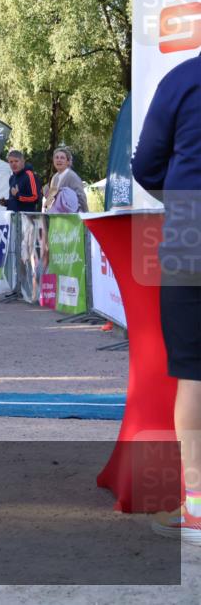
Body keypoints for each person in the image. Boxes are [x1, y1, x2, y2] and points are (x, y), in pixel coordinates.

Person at [132, 53, 201, 546]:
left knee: (195, 374)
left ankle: (197, 507)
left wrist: (180, 197)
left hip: (191, 237)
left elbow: (146, 165)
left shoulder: (180, 80)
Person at [42, 147, 88, 213]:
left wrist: (85, 214)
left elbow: (81, 197)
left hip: (72, 216)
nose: (59, 160)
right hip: (59, 216)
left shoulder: (72, 177)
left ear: (68, 162)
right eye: (56, 157)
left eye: (62, 158)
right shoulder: (55, 177)